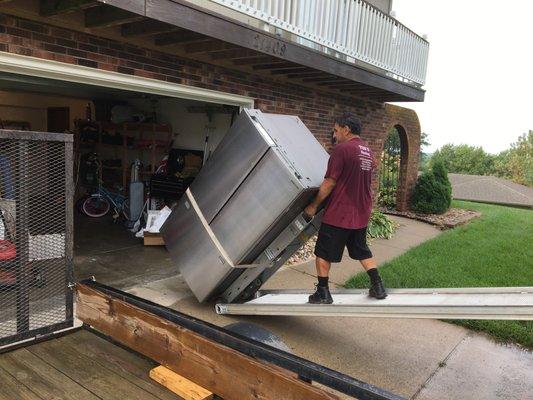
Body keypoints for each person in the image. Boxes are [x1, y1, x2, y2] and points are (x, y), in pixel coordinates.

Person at [304, 112, 387, 304]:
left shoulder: (342, 150)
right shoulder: (367, 150)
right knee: (361, 249)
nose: (334, 135)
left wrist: (313, 206)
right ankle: (378, 285)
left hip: (340, 213)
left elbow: (329, 182)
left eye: (335, 130)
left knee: (323, 253)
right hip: (361, 212)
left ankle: (323, 292)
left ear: (346, 129)